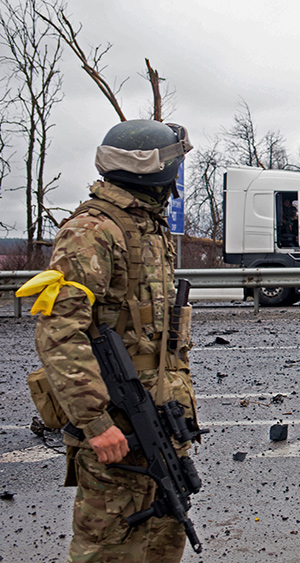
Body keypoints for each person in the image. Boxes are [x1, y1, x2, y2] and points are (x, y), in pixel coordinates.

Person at [18, 119, 198, 562]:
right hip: (117, 423)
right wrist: (96, 423)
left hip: (160, 418)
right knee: (106, 549)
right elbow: (60, 333)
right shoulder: (92, 232)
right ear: (154, 171)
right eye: (173, 167)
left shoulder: (147, 226)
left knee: (162, 541)